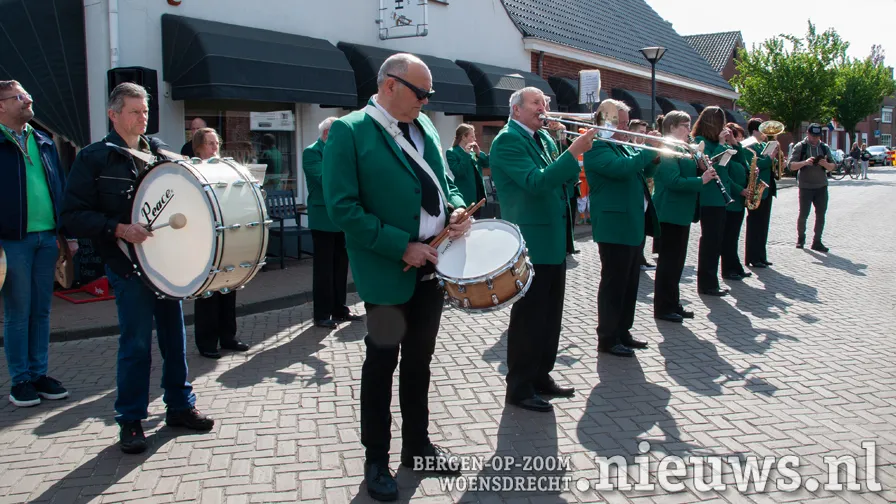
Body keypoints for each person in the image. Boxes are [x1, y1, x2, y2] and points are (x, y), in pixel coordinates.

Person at [322, 53, 471, 501]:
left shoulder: (424, 126)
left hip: (432, 265)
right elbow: (342, 209)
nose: (426, 102)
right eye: (420, 93)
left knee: (420, 362)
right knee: (382, 364)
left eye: (429, 94)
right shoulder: (350, 132)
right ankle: (376, 459)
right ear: (390, 85)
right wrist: (400, 244)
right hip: (388, 275)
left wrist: (458, 208)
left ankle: (417, 447)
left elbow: (444, 183)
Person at [60, 83, 214, 454]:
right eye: (134, 111)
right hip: (127, 266)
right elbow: (72, 216)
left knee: (175, 340)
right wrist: (118, 229)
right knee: (136, 344)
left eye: (145, 111)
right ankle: (130, 420)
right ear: (114, 115)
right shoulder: (94, 158)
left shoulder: (160, 153)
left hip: (166, 265)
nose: (143, 118)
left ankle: (179, 406)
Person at [490, 87, 597, 410]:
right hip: (531, 241)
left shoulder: (545, 139)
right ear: (516, 109)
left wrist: (568, 152)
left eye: (546, 102)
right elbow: (535, 182)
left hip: (553, 238)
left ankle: (541, 375)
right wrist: (573, 152)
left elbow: (561, 182)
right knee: (529, 317)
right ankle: (520, 386)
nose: (544, 107)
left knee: (551, 316)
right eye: (537, 103)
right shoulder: (508, 140)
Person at [0, 80, 73, 407]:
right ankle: (21, 380)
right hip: (11, 241)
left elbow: (59, 189)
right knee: (19, 311)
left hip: (47, 238)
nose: (28, 100)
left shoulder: (42, 140)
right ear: (1, 105)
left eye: (27, 94)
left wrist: (66, 234)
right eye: (19, 97)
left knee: (41, 311)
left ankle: (39, 373)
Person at [584, 100, 660, 357]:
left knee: (630, 284)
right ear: (608, 123)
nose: (628, 128)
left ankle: (623, 331)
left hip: (632, 224)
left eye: (628, 123)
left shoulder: (623, 148)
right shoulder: (597, 148)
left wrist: (655, 156)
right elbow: (623, 170)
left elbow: (641, 172)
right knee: (614, 285)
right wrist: (648, 148)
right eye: (624, 123)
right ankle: (607, 337)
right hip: (614, 227)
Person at [652, 111, 718, 323]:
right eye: (684, 125)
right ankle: (663, 307)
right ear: (671, 127)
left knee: (677, 262)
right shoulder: (668, 148)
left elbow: (688, 175)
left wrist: (701, 170)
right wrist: (702, 180)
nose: (689, 129)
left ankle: (673, 303)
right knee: (668, 263)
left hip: (682, 212)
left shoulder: (685, 148)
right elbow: (673, 181)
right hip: (669, 212)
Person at [190, 127, 250, 358]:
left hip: (227, 234)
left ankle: (228, 336)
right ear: (199, 147)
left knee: (228, 284)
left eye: (217, 143)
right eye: (210, 144)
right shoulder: (193, 170)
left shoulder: (225, 170)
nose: (216, 148)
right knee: (207, 292)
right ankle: (206, 342)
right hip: (204, 237)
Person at [302, 117, 362, 329]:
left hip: (342, 220)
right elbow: (324, 179)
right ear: (327, 134)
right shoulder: (312, 152)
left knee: (340, 268)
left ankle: (340, 309)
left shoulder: (340, 153)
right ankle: (322, 314)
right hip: (323, 220)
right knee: (324, 270)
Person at [692, 106, 735, 297]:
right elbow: (709, 163)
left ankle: (712, 281)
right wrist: (720, 143)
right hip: (709, 197)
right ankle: (707, 284)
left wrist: (730, 143)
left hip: (719, 197)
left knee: (716, 241)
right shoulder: (701, 141)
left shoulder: (715, 141)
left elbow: (729, 163)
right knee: (710, 241)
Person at [788, 123, 835, 252]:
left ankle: (817, 241)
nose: (815, 139)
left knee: (821, 214)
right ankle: (800, 239)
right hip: (805, 186)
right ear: (807, 134)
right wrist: (805, 162)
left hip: (821, 186)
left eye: (817, 136)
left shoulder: (824, 148)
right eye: (812, 136)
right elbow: (790, 166)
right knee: (803, 214)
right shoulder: (800, 147)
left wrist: (825, 163)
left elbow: (832, 166)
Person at [719, 123, 753, 281]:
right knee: (728, 237)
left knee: (734, 237)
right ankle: (728, 269)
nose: (738, 138)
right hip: (731, 200)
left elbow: (742, 161)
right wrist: (740, 189)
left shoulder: (735, 150)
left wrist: (734, 143)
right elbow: (725, 176)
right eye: (735, 135)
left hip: (739, 201)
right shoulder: (723, 152)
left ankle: (735, 265)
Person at [744, 118, 778, 268]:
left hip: (767, 188)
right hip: (757, 188)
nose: (765, 133)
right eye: (762, 130)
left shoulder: (764, 145)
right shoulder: (748, 146)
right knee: (755, 224)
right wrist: (769, 159)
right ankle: (752, 257)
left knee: (764, 224)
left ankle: (761, 255)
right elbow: (755, 165)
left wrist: (776, 161)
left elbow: (770, 164)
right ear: (754, 131)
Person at [626, 119, 656, 270]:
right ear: (632, 131)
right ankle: (638, 259)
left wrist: (656, 159)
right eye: (641, 133)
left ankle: (640, 257)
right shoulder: (629, 148)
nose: (643, 136)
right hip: (633, 199)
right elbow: (630, 167)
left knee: (642, 230)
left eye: (645, 133)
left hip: (644, 195)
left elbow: (649, 172)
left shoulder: (642, 148)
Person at [445, 123, 489, 217]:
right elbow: (458, 172)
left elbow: (486, 164)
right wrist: (466, 154)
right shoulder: (452, 152)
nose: (475, 139)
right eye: (472, 136)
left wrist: (478, 153)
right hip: (466, 195)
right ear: (464, 138)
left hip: (478, 194)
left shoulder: (472, 152)